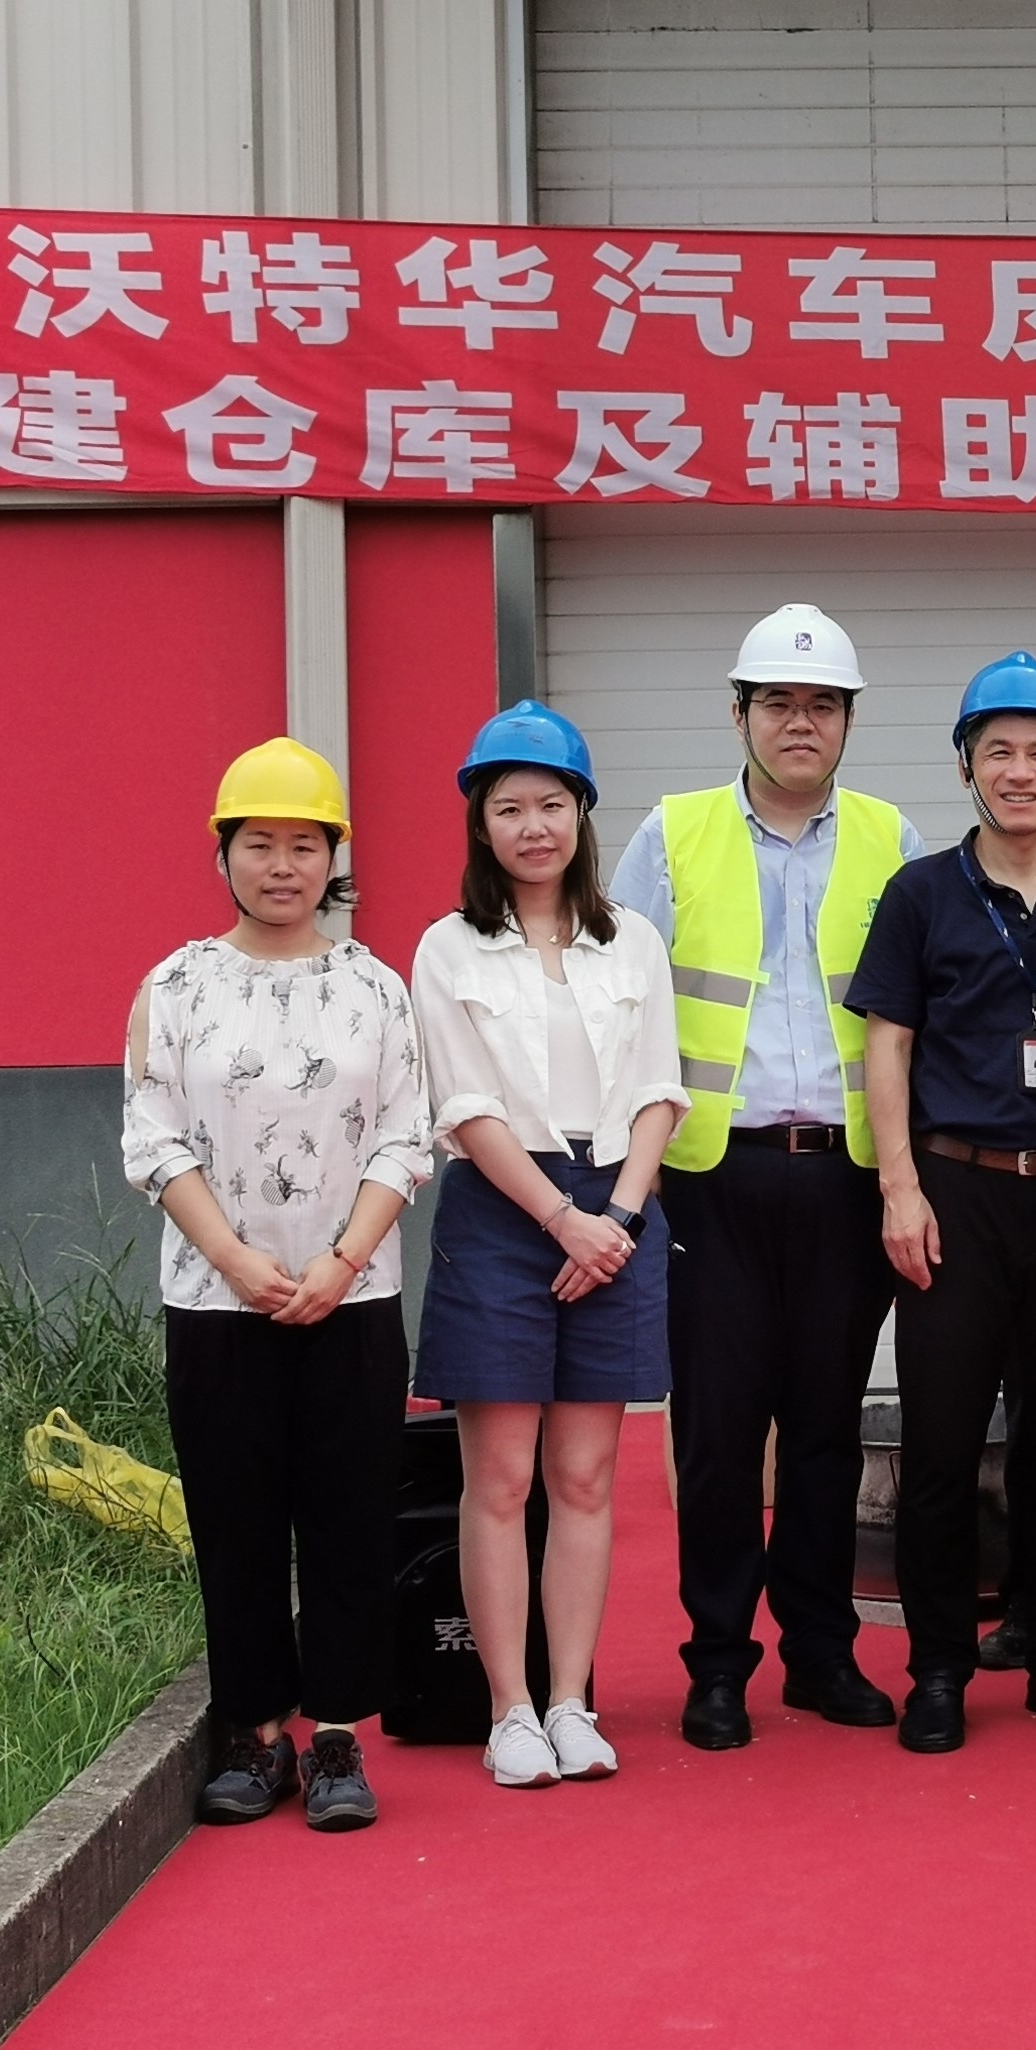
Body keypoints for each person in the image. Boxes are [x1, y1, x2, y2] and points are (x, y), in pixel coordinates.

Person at [609, 603, 932, 1750]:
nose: (803, 722)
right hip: (713, 1178)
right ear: (740, 712)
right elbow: (622, 999)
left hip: (843, 1177)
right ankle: (717, 1662)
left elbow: (920, 1013)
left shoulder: (893, 838)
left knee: (828, 1429)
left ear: (849, 721)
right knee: (718, 1432)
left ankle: (822, 1653)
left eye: (824, 705)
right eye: (781, 703)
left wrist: (907, 1176)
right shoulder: (673, 832)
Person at [122, 739, 431, 1832]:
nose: (283, 865)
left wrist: (340, 1261)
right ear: (223, 854)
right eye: (260, 843)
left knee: (350, 1515)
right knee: (236, 1518)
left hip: (354, 1298)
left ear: (334, 856)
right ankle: (257, 1736)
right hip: (218, 1305)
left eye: (305, 844)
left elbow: (405, 1137)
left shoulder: (376, 987)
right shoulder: (174, 985)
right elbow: (153, 1140)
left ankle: (338, 1735)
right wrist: (237, 1260)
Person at [848, 652, 1036, 1753]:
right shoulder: (920, 892)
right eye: (998, 751)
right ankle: (938, 1666)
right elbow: (889, 1045)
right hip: (955, 1196)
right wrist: (900, 1188)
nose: (1020, 772)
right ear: (966, 764)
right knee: (939, 1444)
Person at [410, 701, 686, 1791]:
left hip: (616, 1202)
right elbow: (464, 1103)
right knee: (499, 1476)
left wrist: (617, 1217)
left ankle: (572, 1700)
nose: (534, 827)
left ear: (583, 814)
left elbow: (660, 1088)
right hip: (502, 1208)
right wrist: (560, 1219)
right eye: (510, 808)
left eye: (553, 804)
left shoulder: (633, 941)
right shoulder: (448, 946)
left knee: (584, 1475)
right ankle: (509, 1710)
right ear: (481, 824)